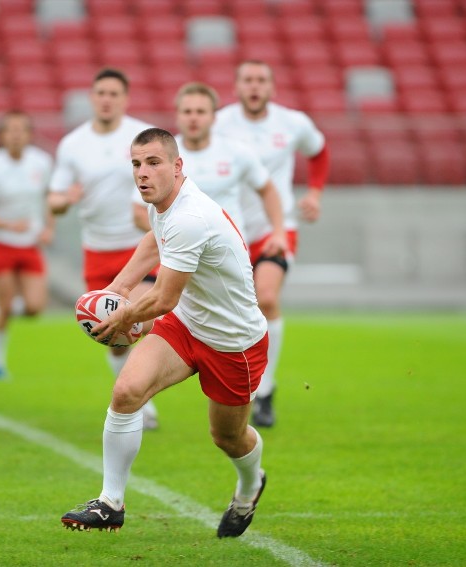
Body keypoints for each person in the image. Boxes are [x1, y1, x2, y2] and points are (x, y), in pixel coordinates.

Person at [61, 128, 269, 538]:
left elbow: (162, 299)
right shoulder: (164, 204)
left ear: (177, 166)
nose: (142, 173)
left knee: (227, 437)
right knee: (126, 393)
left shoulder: (191, 217)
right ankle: (110, 503)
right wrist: (117, 290)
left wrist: (121, 317)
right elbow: (153, 244)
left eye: (153, 163)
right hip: (188, 325)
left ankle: (250, 486)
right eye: (136, 164)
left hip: (234, 343)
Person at [214, 60, 330, 428]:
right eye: (247, 79)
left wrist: (313, 193)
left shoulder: (292, 123)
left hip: (275, 229)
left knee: (266, 299)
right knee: (232, 313)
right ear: (236, 86)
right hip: (228, 231)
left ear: (272, 87)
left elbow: (320, 152)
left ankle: (265, 391)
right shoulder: (219, 124)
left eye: (261, 80)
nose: (254, 86)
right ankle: (235, 384)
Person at [48, 67, 160, 429]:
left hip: (137, 246)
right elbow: (53, 200)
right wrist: (66, 199)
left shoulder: (140, 137)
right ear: (92, 98)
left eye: (114, 93)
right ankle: (130, 389)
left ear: (125, 99)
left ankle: (144, 403)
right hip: (97, 248)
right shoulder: (73, 144)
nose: (107, 99)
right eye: (101, 93)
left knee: (142, 318)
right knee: (114, 337)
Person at [133, 82, 286, 254]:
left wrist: (279, 233)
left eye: (200, 112)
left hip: (229, 254)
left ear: (214, 117)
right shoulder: (161, 156)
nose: (193, 118)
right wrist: (175, 235)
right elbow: (138, 212)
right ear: (177, 116)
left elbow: (268, 190)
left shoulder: (236, 151)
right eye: (187, 111)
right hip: (181, 253)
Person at [0, 110, 53, 379]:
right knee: (6, 306)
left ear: (30, 134)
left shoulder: (41, 162)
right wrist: (8, 225)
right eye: (11, 130)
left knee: (35, 307)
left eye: (21, 130)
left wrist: (48, 228)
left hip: (29, 243)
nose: (16, 135)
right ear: (2, 136)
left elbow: (48, 198)